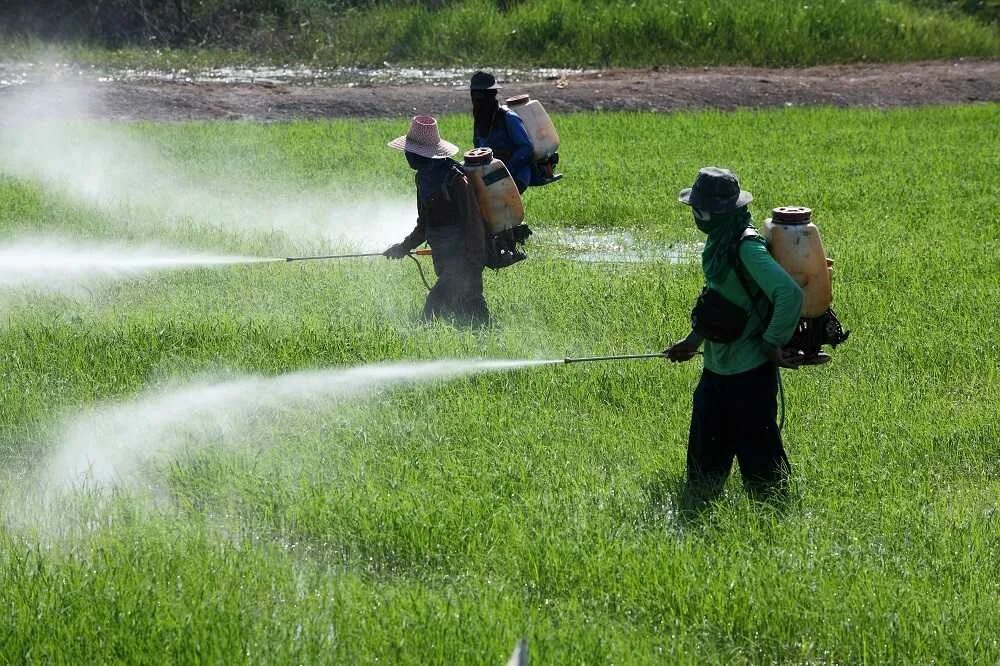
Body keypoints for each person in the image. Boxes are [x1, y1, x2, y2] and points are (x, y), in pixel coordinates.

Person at [665, 167, 805, 506]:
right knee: (702, 475)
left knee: (765, 479)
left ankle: (776, 523)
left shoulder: (746, 247)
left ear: (716, 212)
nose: (696, 216)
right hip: (717, 369)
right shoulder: (720, 243)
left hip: (750, 375)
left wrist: (771, 343)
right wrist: (693, 340)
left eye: (699, 210)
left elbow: (790, 294)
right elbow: (721, 301)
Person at [383, 115, 490, 326]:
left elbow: (473, 220)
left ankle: (421, 337)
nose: (406, 155)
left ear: (423, 155)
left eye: (410, 151)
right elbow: (424, 223)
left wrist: (475, 260)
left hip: (463, 257)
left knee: (435, 304)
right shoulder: (422, 179)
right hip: (443, 255)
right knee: (466, 308)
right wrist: (403, 247)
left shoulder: (455, 180)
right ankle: (489, 339)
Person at [470, 71, 534, 194]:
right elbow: (477, 148)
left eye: (481, 95)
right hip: (490, 176)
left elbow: (526, 147)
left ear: (491, 95)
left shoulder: (508, 117)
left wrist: (505, 170)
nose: (477, 99)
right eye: (474, 94)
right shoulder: (479, 119)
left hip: (516, 174)